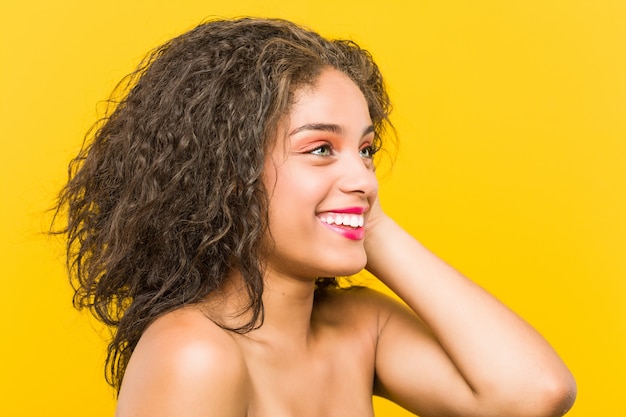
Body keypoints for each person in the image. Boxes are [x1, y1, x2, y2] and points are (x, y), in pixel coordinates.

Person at [53, 17, 576, 416]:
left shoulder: (360, 327)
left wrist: (367, 220)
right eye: (321, 148)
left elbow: (534, 393)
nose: (364, 178)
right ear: (227, 174)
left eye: (366, 151)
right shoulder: (193, 352)